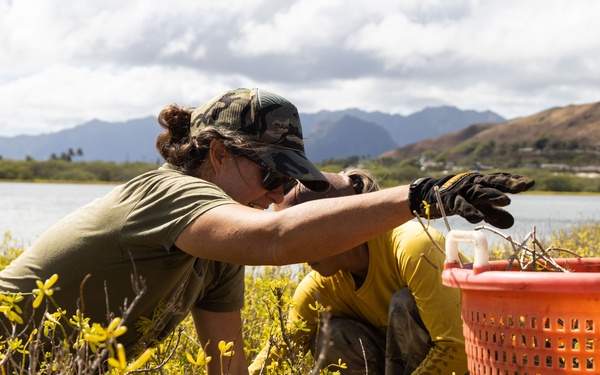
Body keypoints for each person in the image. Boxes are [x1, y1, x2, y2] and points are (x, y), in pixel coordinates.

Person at [0, 87, 534, 374]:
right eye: (271, 174)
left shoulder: (216, 255)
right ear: (215, 153)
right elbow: (276, 241)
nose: (280, 195)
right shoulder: (172, 192)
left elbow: (227, 367)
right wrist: (419, 196)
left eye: (288, 179)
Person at [249, 169, 470, 375]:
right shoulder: (319, 288)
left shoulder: (415, 247)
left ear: (338, 226)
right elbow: (276, 354)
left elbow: (457, 348)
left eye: (299, 238)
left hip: (479, 358)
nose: (293, 254)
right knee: (332, 335)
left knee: (404, 304)